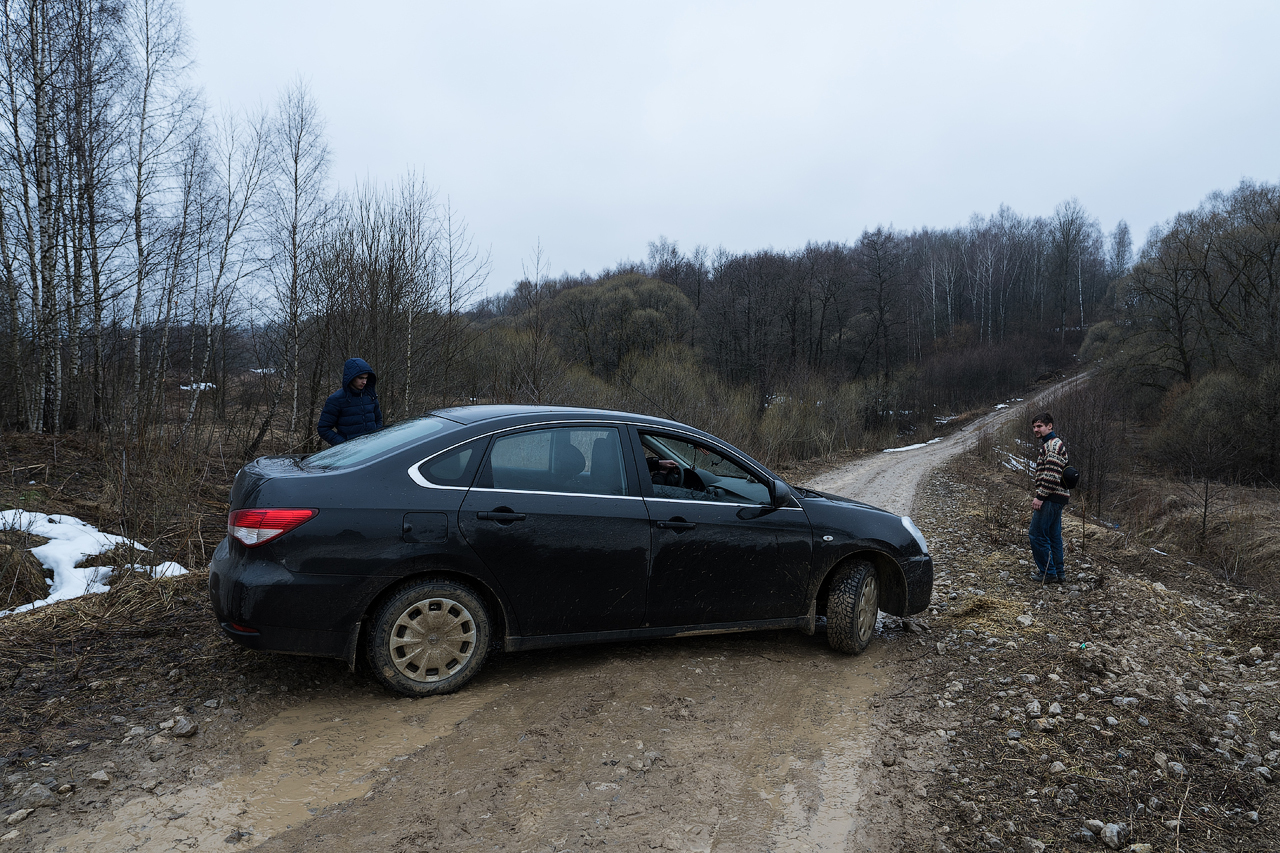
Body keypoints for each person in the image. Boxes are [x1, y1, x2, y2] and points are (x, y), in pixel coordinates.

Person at [1028, 411, 1070, 584]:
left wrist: (1040, 496)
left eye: (1039, 426)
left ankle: (1048, 572)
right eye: (1034, 427)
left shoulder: (1052, 446)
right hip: (1057, 497)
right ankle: (1058, 573)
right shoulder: (1053, 444)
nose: (1036, 430)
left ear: (1049, 426)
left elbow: (1052, 476)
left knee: (1036, 534)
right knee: (1053, 536)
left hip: (1051, 498)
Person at [317, 357, 383, 446]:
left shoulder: (370, 396)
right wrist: (344, 445)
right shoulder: (336, 399)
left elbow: (378, 419)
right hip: (350, 454)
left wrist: (376, 437)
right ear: (351, 377)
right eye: (361, 378)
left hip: (372, 447)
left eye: (366, 378)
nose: (364, 382)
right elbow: (323, 428)